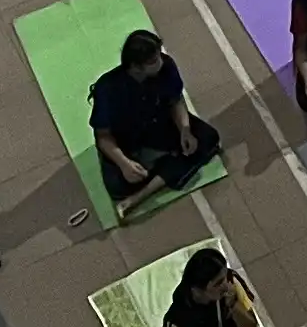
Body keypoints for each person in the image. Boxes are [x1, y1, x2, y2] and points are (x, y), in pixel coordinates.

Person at [89, 28, 224, 214]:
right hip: (127, 140)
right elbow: (103, 136)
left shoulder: (166, 66)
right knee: (119, 185)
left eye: (159, 55)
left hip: (158, 125)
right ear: (135, 66)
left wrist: (184, 128)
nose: (160, 62)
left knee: (208, 138)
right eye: (153, 61)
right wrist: (124, 163)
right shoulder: (108, 89)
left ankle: (136, 198)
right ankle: (163, 170)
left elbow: (175, 100)